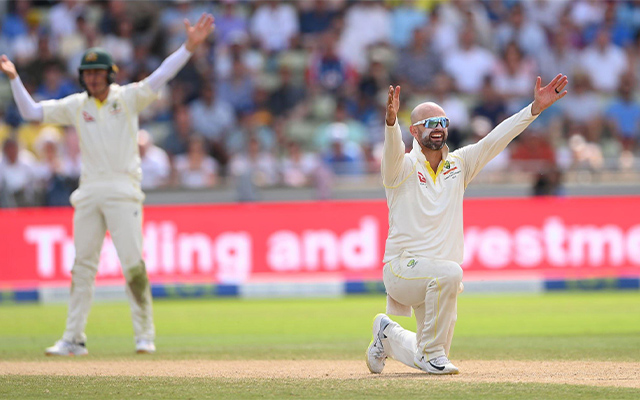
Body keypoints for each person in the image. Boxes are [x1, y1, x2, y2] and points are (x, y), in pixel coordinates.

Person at [0, 13, 215, 356]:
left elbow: (161, 75)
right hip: (88, 192)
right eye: (88, 73)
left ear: (110, 74)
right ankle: (73, 338)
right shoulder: (75, 106)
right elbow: (31, 113)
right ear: (82, 77)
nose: (94, 78)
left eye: (99, 72)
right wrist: (14, 78)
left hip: (124, 191)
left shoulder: (127, 98)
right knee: (82, 266)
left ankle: (144, 335)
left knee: (133, 265)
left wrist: (189, 48)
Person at [366, 74, 568, 375]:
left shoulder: (459, 165)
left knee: (425, 343)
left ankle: (386, 335)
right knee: (451, 274)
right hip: (401, 270)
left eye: (443, 123)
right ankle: (433, 354)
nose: (438, 129)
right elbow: (392, 154)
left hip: (436, 280)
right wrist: (391, 124)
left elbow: (495, 140)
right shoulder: (402, 168)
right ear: (414, 130)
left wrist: (534, 109)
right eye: (430, 123)